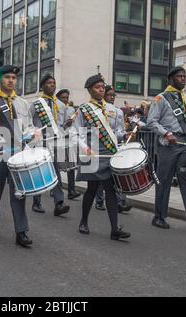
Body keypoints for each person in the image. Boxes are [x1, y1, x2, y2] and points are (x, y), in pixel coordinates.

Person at [0, 65, 41, 247]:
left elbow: (27, 127)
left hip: (18, 152)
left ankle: (21, 231)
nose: (11, 80)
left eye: (13, 77)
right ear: (0, 79)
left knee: (19, 193)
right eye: (7, 77)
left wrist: (34, 135)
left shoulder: (22, 103)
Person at [147, 66, 186, 233]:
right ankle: (159, 216)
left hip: (184, 144)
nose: (183, 79)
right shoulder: (160, 99)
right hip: (167, 145)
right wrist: (166, 133)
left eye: (184, 76)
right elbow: (151, 122)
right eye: (180, 76)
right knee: (164, 179)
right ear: (171, 79)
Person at [72, 74, 131, 241]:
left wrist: (124, 135)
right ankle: (83, 221)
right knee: (91, 189)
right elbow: (75, 133)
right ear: (90, 90)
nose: (101, 90)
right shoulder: (83, 110)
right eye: (98, 87)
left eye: (103, 87)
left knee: (111, 189)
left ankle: (115, 229)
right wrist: (84, 148)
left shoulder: (114, 110)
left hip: (110, 152)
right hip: (93, 152)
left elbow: (118, 132)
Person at [30, 74, 70, 216]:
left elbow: (61, 126)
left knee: (56, 172)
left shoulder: (60, 105)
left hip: (55, 142)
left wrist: (67, 125)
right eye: (49, 83)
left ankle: (59, 203)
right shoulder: (36, 104)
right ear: (42, 86)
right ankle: (36, 202)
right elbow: (30, 123)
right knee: (39, 172)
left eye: (53, 83)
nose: (52, 85)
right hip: (40, 142)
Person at [94, 85, 133, 213]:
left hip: (114, 147)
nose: (112, 97)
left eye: (113, 95)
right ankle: (99, 200)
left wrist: (125, 135)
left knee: (117, 174)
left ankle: (120, 201)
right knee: (100, 177)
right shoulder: (97, 110)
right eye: (109, 95)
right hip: (100, 146)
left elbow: (119, 130)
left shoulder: (118, 112)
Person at [56, 88, 81, 200]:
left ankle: (71, 190)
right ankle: (56, 190)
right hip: (58, 140)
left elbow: (75, 125)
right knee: (57, 166)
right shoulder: (55, 108)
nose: (65, 99)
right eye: (63, 97)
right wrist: (64, 126)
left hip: (70, 140)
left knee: (71, 166)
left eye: (67, 97)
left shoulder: (71, 109)